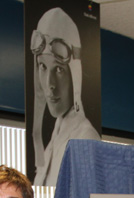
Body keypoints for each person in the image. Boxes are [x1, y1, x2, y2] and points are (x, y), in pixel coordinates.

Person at [31, 7, 100, 186]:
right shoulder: (55, 140)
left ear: (74, 74)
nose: (50, 84)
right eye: (43, 67)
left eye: (59, 70)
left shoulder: (85, 139)